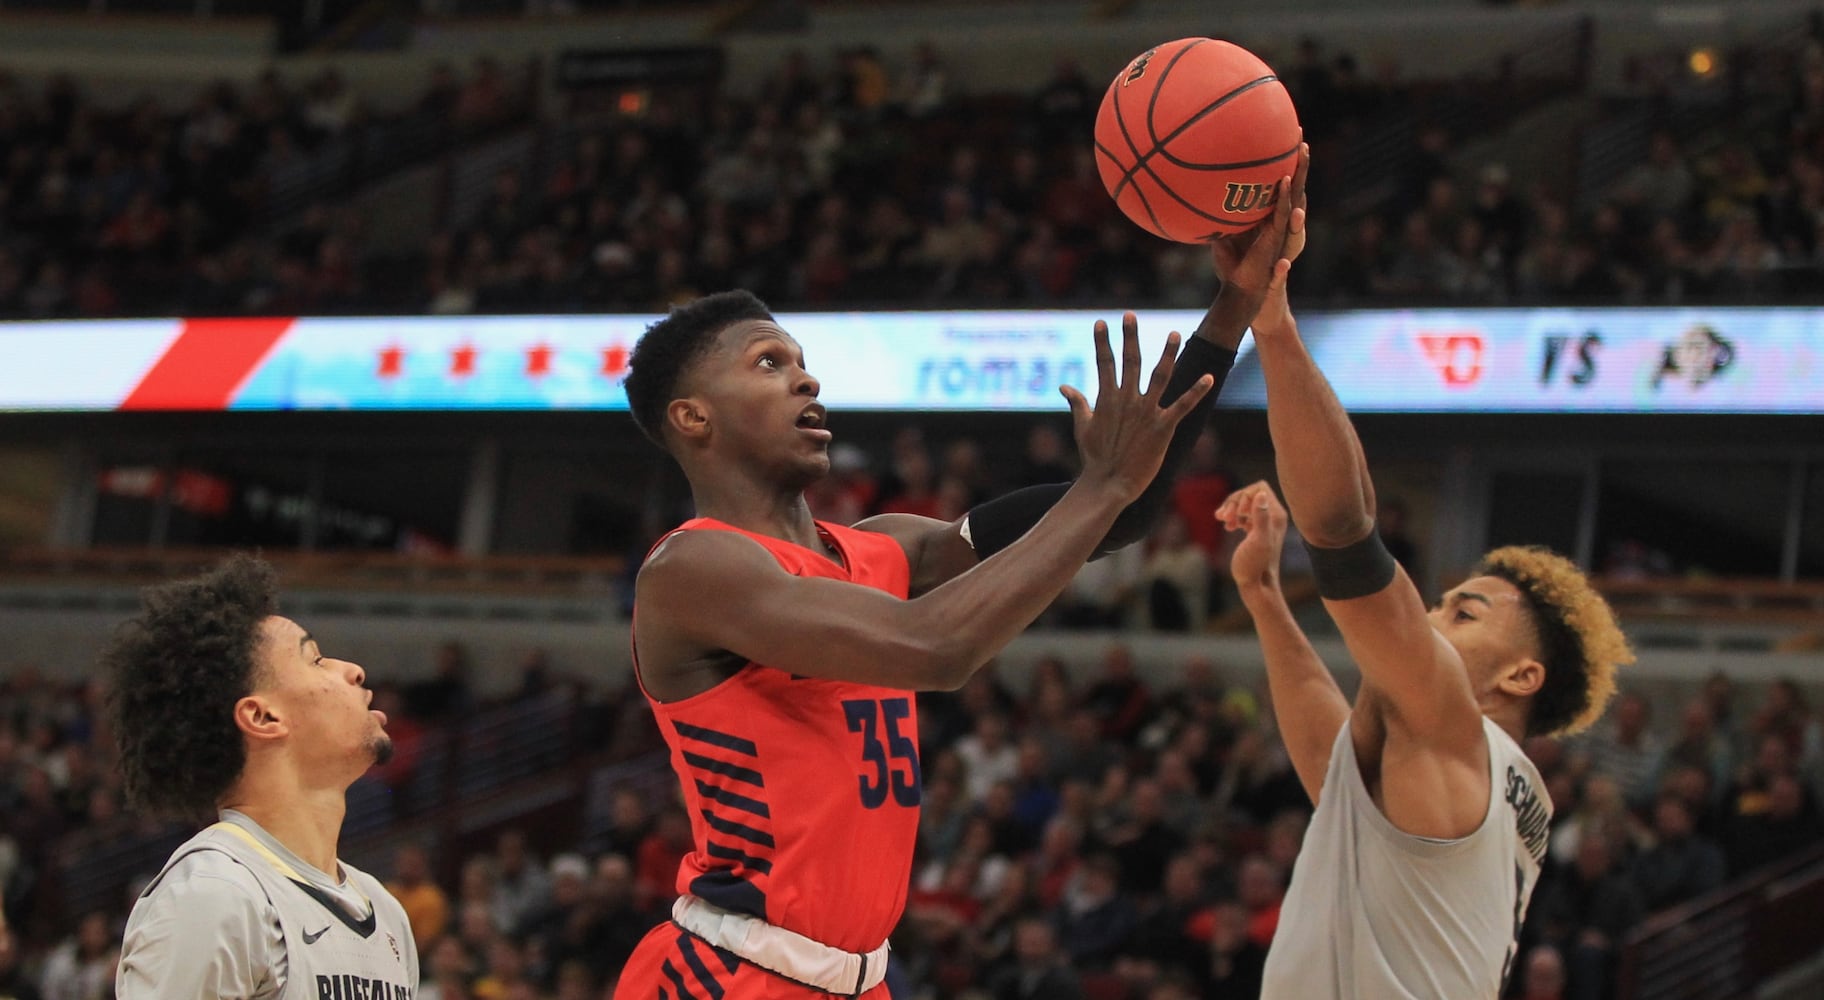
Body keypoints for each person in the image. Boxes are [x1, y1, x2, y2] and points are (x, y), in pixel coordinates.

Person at [611, 156, 1305, 998]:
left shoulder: (886, 548)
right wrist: (1105, 484)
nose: (806, 376)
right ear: (693, 418)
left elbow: (1112, 516)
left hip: (862, 978)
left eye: (800, 359)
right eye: (766, 362)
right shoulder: (695, 566)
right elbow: (935, 649)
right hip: (728, 973)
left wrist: (1233, 304)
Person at [1214, 145, 1635, 999]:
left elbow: (1344, 530)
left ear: (1521, 674)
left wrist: (1275, 326)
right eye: (1442, 603)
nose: (1435, 618)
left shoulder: (1452, 729)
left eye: (1466, 612)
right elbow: (1331, 756)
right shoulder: (1467, 775)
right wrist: (1263, 596)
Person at [105, 555, 418, 997]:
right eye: (316, 659)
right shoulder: (215, 895)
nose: (352, 670)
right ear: (263, 716)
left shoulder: (385, 913)